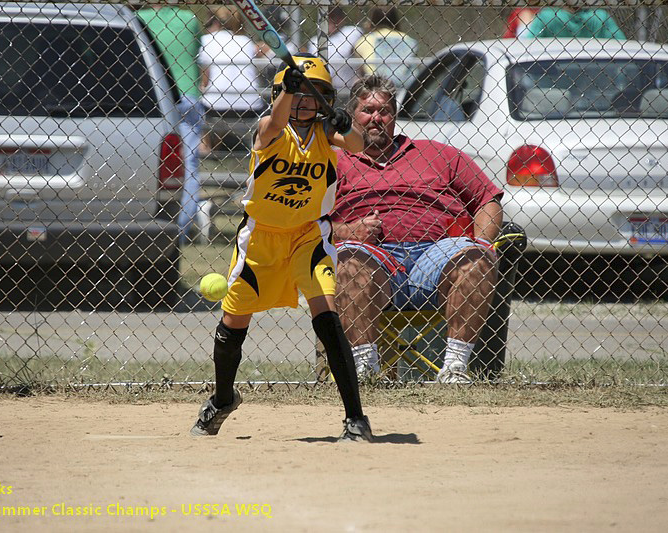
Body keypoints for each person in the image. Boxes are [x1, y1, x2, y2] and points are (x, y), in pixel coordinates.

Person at [190, 54, 373, 441]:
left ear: (326, 98)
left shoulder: (325, 133)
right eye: (296, 93)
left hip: (309, 235)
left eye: (314, 94)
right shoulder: (268, 128)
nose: (305, 100)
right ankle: (223, 399)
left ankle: (356, 417)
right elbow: (273, 123)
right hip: (261, 239)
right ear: (281, 94)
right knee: (234, 320)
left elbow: (358, 144)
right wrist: (287, 92)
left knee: (326, 312)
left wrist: (349, 123)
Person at [330, 75, 504, 383]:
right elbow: (306, 220)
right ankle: (366, 371)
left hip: (437, 255)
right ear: (351, 116)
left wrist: (481, 244)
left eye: (384, 111)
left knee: (475, 258)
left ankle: (454, 369)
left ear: (394, 115)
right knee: (349, 264)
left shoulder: (437, 153)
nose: (376, 118)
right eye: (367, 110)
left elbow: (487, 199)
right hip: (372, 258)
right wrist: (347, 231)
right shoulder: (334, 161)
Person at [137, 5, 205, 245]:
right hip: (188, 93)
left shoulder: (139, 18)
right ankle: (180, 233)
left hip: (155, 94)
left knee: (153, 160)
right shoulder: (189, 18)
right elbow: (195, 50)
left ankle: (154, 225)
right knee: (189, 164)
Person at [198, 7, 265, 121]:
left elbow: (205, 79)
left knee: (200, 104)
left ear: (215, 22)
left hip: (215, 104)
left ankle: (209, 139)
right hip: (249, 103)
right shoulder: (246, 41)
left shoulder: (206, 40)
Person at [353, 7, 419, 92]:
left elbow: (361, 71)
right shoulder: (408, 40)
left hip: (375, 88)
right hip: (406, 89)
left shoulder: (364, 41)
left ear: (372, 20)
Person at [306, 7, 364, 96]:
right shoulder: (315, 41)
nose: (331, 21)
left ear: (342, 18)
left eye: (335, 17)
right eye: (328, 17)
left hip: (348, 89)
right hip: (325, 89)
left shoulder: (351, 32)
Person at [513, 6, 626, 39]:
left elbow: (526, 46)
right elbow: (622, 44)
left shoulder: (547, 16)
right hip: (594, 79)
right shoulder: (600, 17)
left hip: (548, 81)